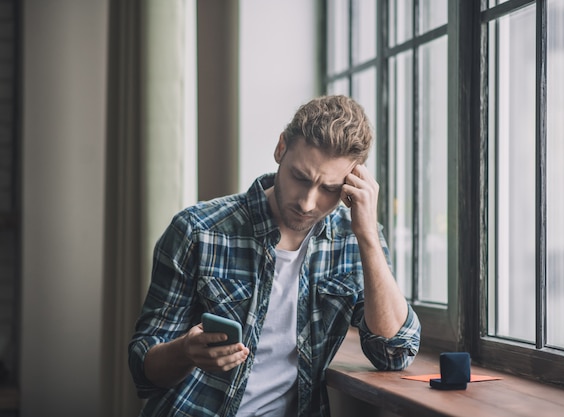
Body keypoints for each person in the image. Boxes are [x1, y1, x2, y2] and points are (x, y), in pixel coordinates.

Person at [128, 95, 421, 417]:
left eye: (329, 189)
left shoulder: (354, 241)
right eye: (301, 178)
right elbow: (144, 368)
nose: (308, 203)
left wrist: (366, 234)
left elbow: (395, 354)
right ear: (281, 148)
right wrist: (185, 351)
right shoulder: (198, 230)